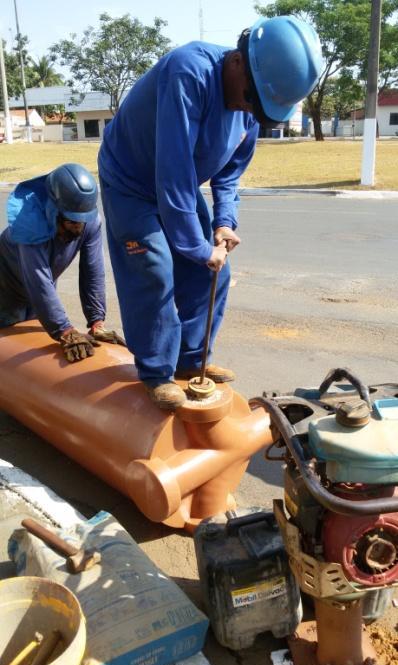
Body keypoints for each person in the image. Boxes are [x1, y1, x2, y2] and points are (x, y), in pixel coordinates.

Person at [98, 15, 323, 410]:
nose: (248, 109)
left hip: (178, 183)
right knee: (154, 266)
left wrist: (223, 223)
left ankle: (189, 362)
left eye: (261, 109)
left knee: (216, 272)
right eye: (251, 98)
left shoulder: (252, 107)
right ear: (237, 61)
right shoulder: (189, 73)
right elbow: (173, 171)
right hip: (133, 184)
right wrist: (201, 248)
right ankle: (156, 373)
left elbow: (230, 172)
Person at [0, 163, 125, 362]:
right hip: (5, 292)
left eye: (81, 222)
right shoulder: (30, 225)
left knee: (36, 351)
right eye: (71, 222)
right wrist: (64, 330)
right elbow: (38, 280)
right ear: (53, 210)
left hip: (37, 296)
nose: (77, 228)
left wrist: (96, 321)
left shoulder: (88, 220)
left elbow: (93, 271)